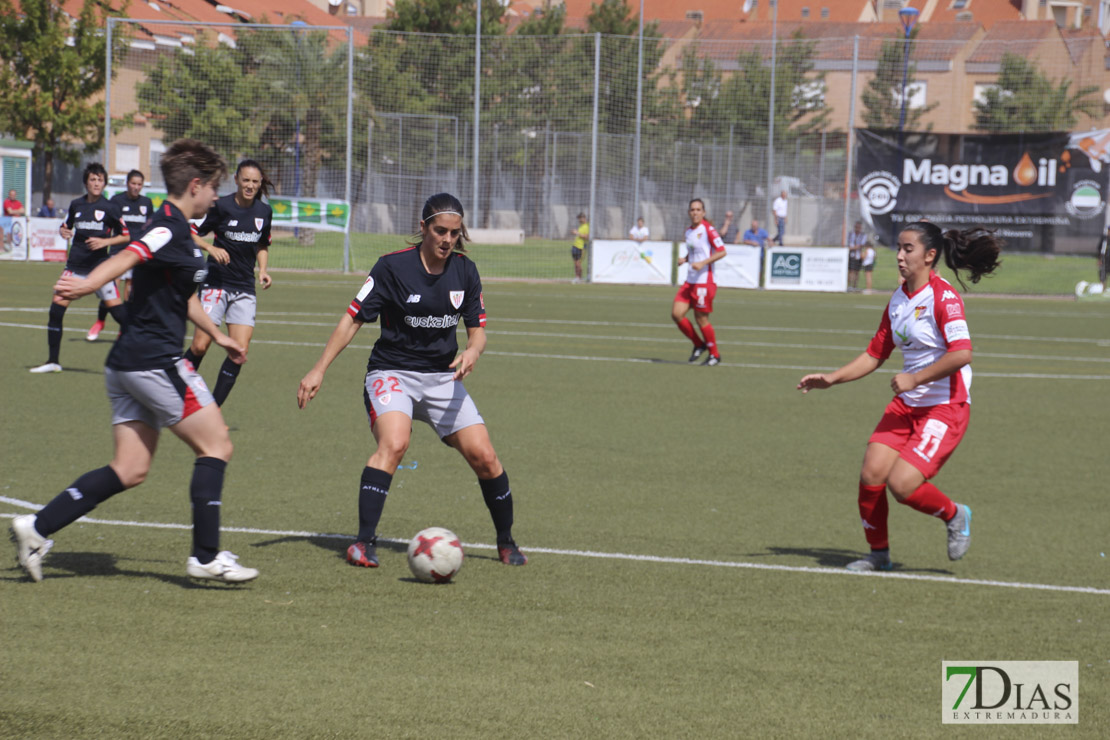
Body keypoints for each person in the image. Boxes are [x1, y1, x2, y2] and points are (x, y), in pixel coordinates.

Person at [10, 138, 259, 584]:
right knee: (217, 444)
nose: (215, 198)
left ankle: (37, 527)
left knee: (130, 469)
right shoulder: (168, 226)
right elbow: (129, 255)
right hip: (153, 361)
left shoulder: (177, 228)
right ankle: (205, 556)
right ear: (196, 186)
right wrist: (87, 286)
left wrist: (220, 337)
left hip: (127, 363)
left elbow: (182, 297)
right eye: (213, 188)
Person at [297, 192, 526, 570]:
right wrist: (319, 368)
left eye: (454, 233)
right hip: (392, 373)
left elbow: (478, 331)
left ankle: (506, 542)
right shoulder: (391, 268)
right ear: (422, 228)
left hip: (442, 379)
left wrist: (472, 351)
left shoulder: (465, 271)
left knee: (485, 457)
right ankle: (362, 543)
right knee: (395, 443)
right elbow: (353, 317)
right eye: (440, 231)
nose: (447, 240)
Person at [796, 221, 1003, 572]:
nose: (900, 256)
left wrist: (916, 377)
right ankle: (878, 555)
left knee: (902, 484)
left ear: (930, 255)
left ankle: (956, 514)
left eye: (909, 249)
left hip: (945, 407)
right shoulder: (898, 298)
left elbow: (962, 354)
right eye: (900, 248)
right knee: (871, 473)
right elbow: (875, 354)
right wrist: (832, 378)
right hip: (907, 405)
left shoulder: (944, 298)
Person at [181, 160, 273, 408]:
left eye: (255, 181)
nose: (250, 186)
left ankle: (212, 409)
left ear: (260, 182)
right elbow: (190, 232)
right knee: (200, 346)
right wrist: (211, 247)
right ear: (237, 179)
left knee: (239, 352)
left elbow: (262, 244)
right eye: (246, 180)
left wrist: (262, 270)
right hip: (216, 283)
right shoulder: (221, 206)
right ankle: (176, 389)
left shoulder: (264, 212)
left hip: (244, 288)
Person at [30, 163, 130, 374]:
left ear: (104, 183)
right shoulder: (76, 205)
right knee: (56, 310)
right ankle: (53, 361)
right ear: (86, 182)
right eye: (93, 180)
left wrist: (105, 242)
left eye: (100, 180)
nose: (96, 183)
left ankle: (139, 360)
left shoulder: (110, 207)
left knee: (120, 315)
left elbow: (127, 235)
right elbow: (66, 227)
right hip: (74, 267)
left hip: (100, 270)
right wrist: (63, 232)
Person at [88, 170, 156, 341]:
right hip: (118, 252)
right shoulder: (117, 201)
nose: (136, 187)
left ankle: (122, 330)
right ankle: (100, 321)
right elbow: (108, 225)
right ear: (127, 183)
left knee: (129, 295)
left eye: (139, 184)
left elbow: (150, 227)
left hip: (137, 253)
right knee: (110, 291)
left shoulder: (146, 203)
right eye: (133, 183)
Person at [673, 198, 726, 366]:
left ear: (703, 212)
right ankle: (698, 344)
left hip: (704, 281)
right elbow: (695, 253)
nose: (695, 212)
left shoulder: (708, 230)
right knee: (676, 314)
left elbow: (722, 251)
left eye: (698, 210)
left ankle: (715, 355)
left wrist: (703, 263)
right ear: (689, 212)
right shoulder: (688, 231)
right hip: (690, 280)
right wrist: (685, 259)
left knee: (701, 319)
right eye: (692, 210)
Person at [847, 220, 869, 291]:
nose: (858, 229)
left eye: (859, 227)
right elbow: (848, 244)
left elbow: (861, 245)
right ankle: (849, 286)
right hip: (851, 255)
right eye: (856, 227)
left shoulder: (863, 235)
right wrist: (852, 248)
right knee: (850, 271)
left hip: (858, 256)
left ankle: (855, 286)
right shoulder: (850, 234)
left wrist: (853, 248)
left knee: (856, 271)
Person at [571, 212, 589, 283]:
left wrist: (577, 233)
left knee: (578, 263)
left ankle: (579, 277)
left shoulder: (587, 226)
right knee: (575, 263)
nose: (579, 220)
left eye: (580, 219)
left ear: (584, 218)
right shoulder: (581, 226)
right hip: (575, 245)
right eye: (578, 219)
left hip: (581, 247)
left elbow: (587, 237)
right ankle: (577, 277)